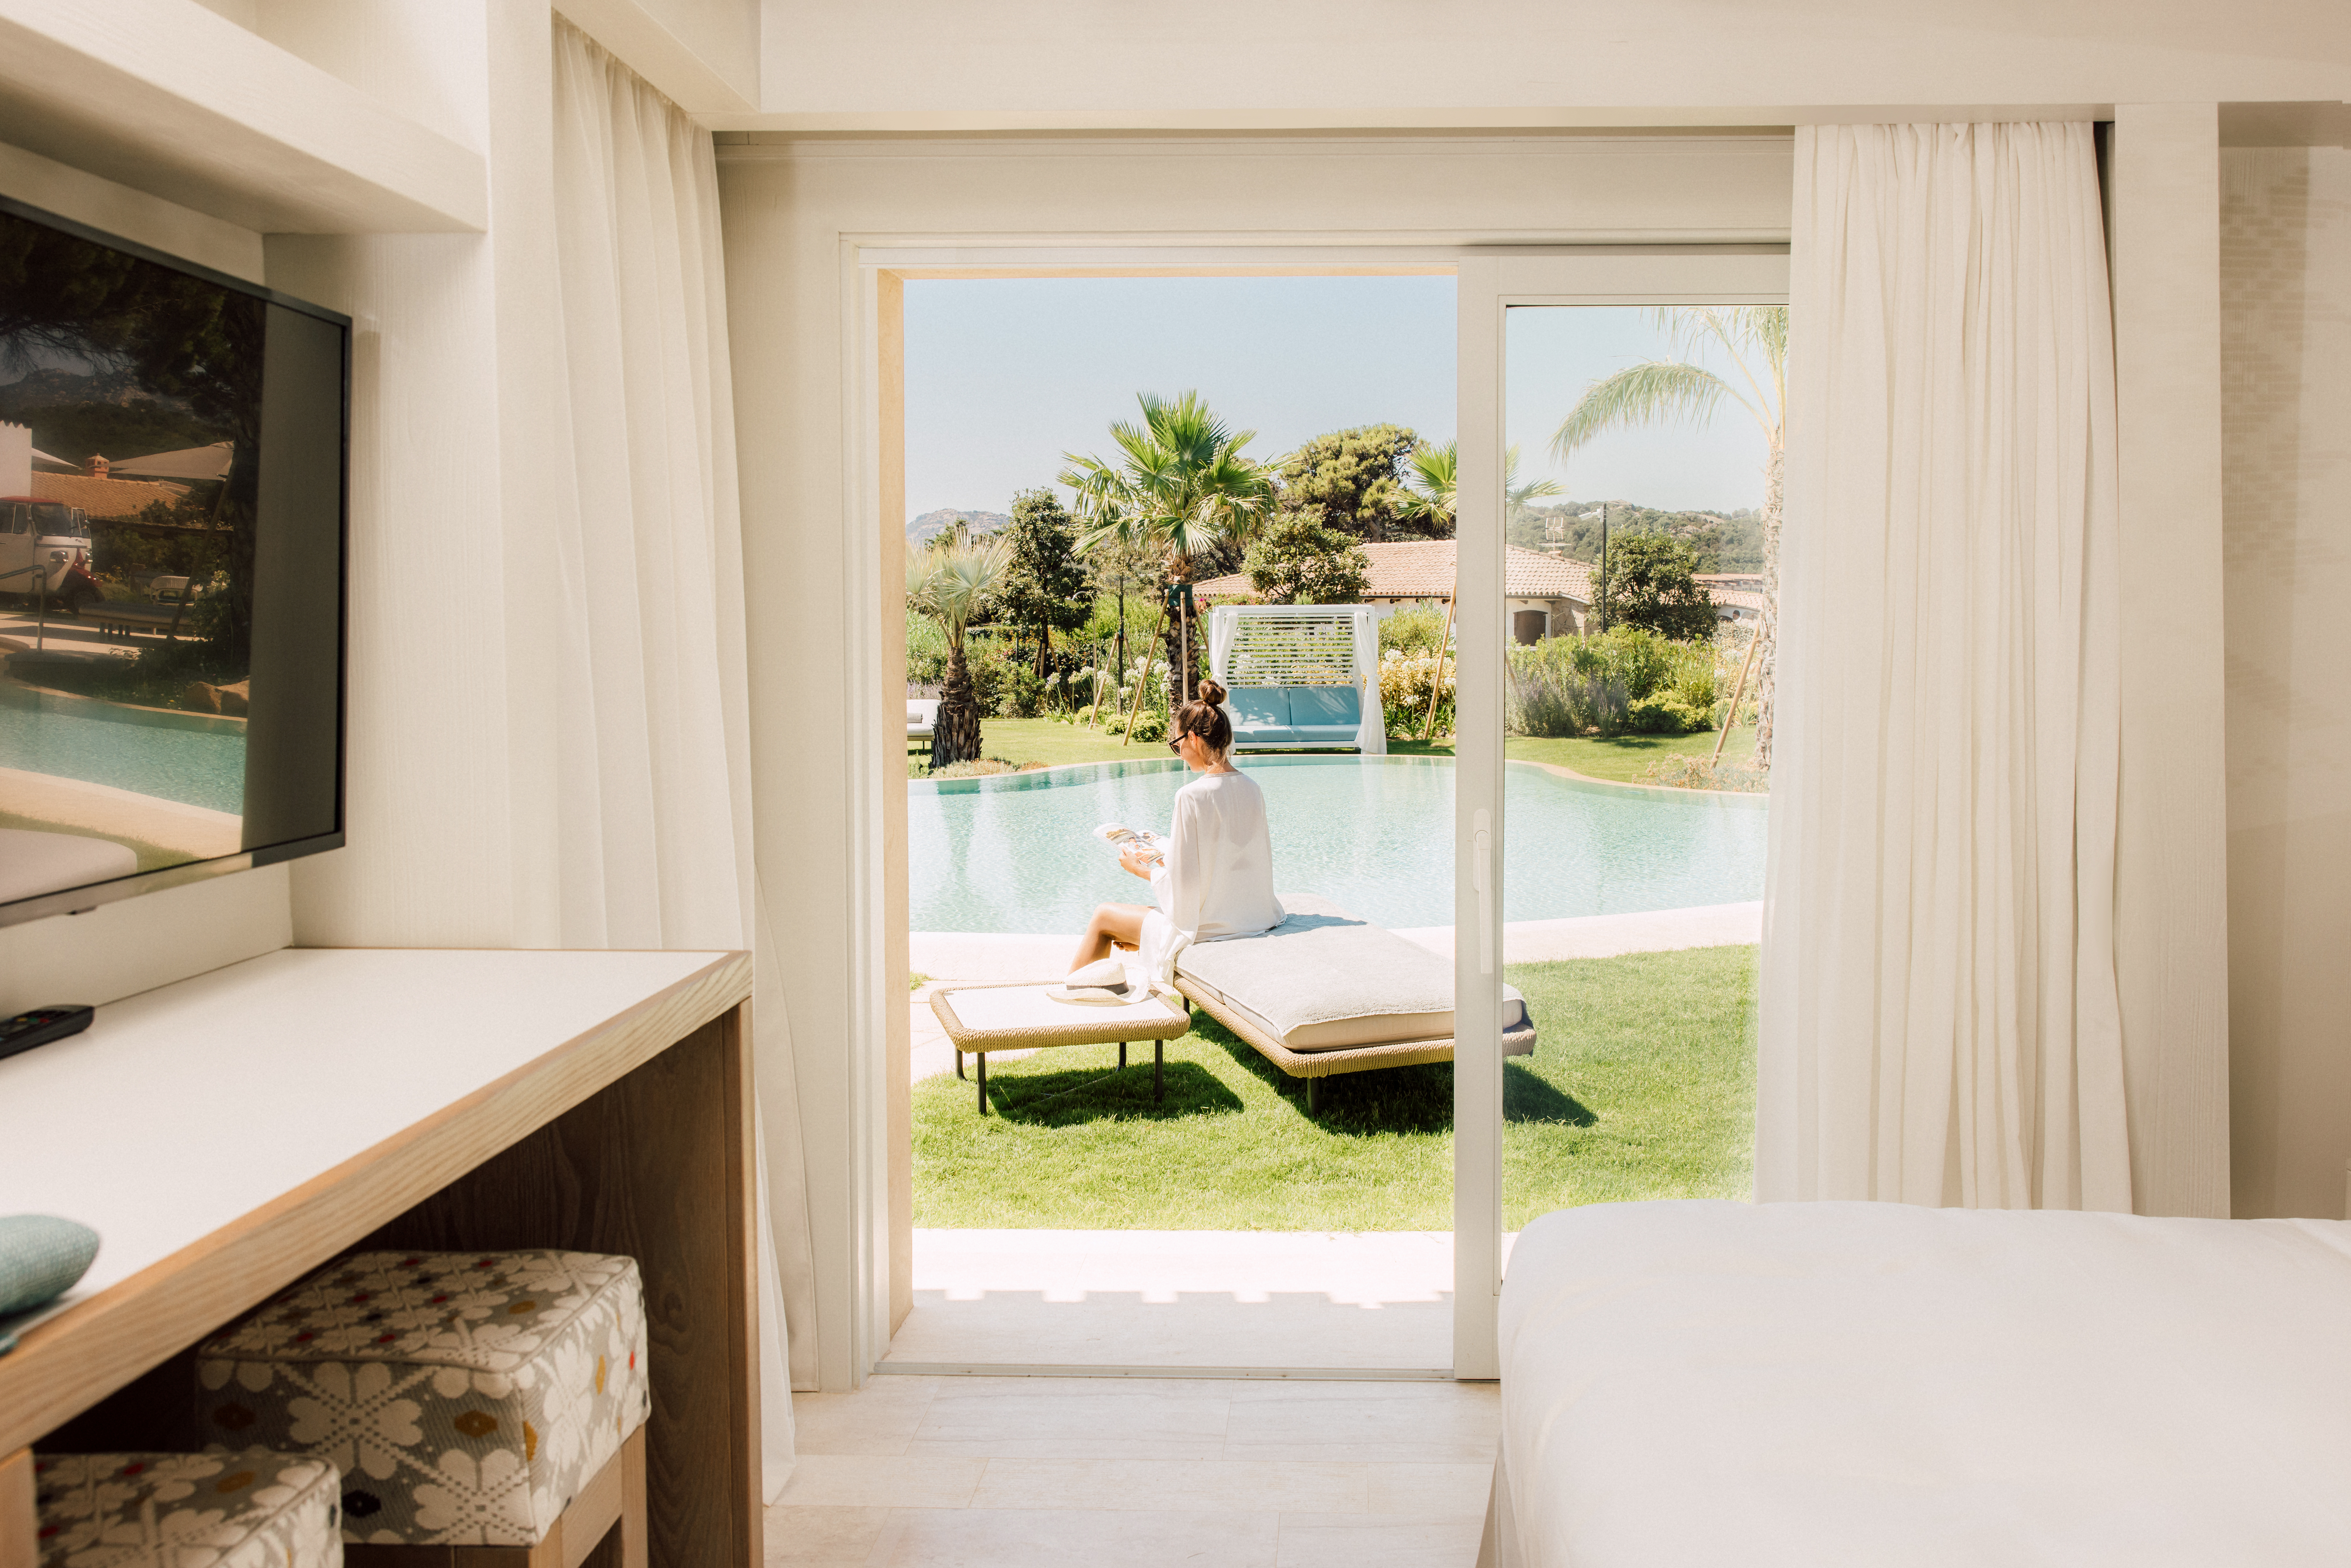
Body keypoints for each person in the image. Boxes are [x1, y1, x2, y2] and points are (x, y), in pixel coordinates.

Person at [1070, 679, 1284, 981]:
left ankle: (1076, 995)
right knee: (1141, 918)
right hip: (1255, 918)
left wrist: (1139, 868)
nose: (1179, 752)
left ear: (1193, 738)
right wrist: (1162, 845)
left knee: (1104, 916)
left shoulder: (1190, 796)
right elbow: (1233, 856)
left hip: (1208, 928)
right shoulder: (1252, 788)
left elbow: (1183, 891)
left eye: (1177, 744)